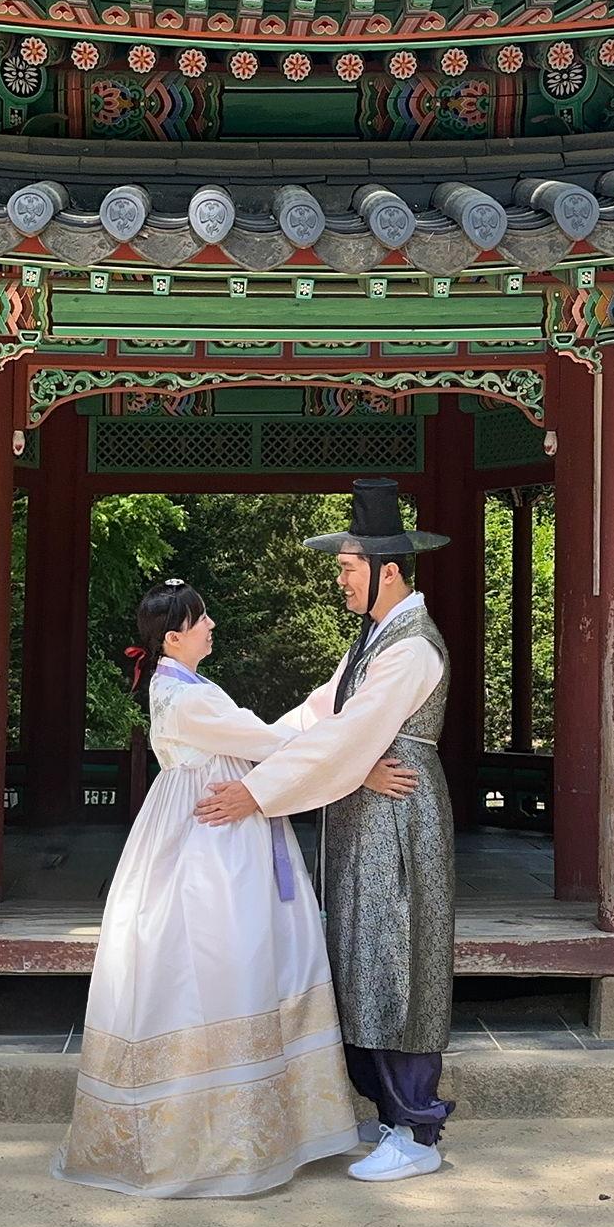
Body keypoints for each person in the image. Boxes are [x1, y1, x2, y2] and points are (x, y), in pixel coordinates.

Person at [53, 575, 414, 1198]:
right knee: (223, 961)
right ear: (174, 637)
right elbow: (267, 738)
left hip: (214, 820)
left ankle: (247, 1127)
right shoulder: (187, 696)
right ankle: (214, 1137)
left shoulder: (183, 685)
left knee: (232, 960)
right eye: (202, 621)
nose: (212, 626)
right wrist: (358, 766)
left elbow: (260, 734)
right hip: (211, 837)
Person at [196, 479, 455, 1183]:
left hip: (400, 818)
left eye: (346, 568)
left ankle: (417, 1129)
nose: (339, 580)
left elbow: (353, 737)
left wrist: (256, 794)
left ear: (388, 571)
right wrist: (251, 753)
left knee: (397, 959)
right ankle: (391, 1118)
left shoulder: (411, 649)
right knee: (363, 953)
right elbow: (320, 715)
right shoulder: (375, 637)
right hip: (363, 811)